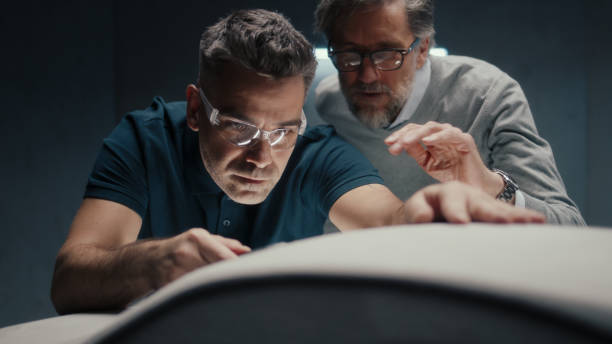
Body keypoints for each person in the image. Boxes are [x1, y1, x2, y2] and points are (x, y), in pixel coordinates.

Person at [50, 9, 544, 315]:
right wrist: (154, 261)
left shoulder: (317, 152)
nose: (263, 157)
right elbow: (69, 281)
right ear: (197, 109)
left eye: (284, 130)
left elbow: (388, 217)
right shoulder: (145, 139)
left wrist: (426, 211)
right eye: (241, 127)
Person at [314, 0, 584, 225]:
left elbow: (570, 225)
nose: (367, 76)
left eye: (387, 54)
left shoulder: (487, 95)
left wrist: (492, 187)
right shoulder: (326, 100)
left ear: (422, 49)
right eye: (349, 54)